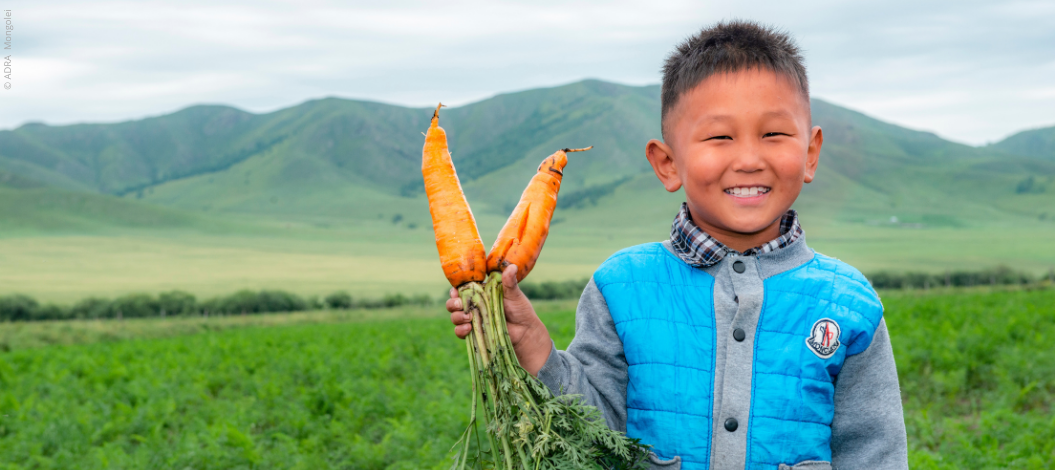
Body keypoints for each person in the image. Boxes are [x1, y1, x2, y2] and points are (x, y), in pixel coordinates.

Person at [448, 20, 908, 470]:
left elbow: (875, 451)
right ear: (667, 164)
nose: (748, 159)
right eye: (719, 137)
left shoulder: (848, 302)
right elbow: (592, 430)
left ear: (810, 152)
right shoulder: (623, 286)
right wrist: (531, 343)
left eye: (774, 134)